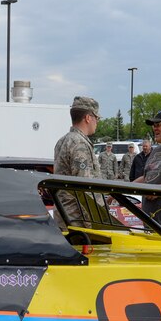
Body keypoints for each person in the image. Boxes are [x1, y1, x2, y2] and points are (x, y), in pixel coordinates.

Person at [54, 96, 102, 225]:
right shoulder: (79, 143)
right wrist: (94, 223)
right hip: (79, 222)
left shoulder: (63, 140)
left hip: (64, 216)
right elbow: (85, 188)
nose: (97, 122)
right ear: (88, 118)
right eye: (96, 118)